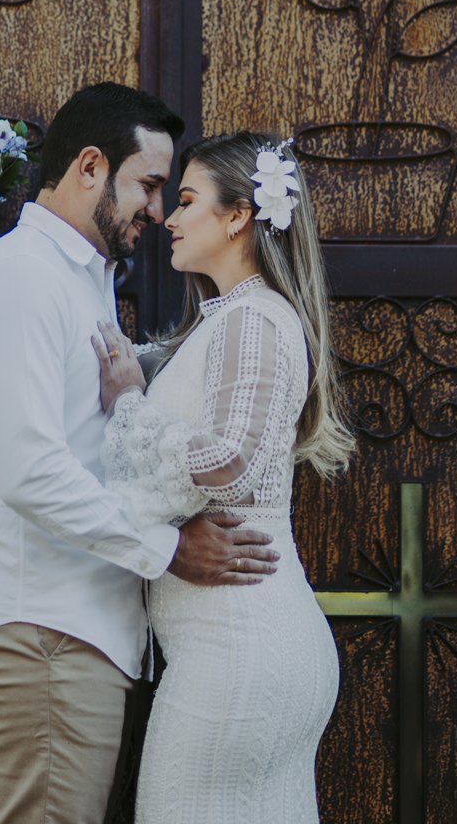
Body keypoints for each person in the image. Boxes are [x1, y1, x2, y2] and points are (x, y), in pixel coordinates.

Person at [0, 84, 281, 824]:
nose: (158, 210)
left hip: (70, 625)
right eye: (149, 185)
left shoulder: (76, 282)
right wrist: (166, 548)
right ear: (90, 167)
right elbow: (30, 473)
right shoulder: (24, 276)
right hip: (42, 624)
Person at [92, 131, 356, 823]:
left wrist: (125, 407)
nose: (169, 220)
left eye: (185, 200)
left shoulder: (254, 317)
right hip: (237, 650)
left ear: (239, 214)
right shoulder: (227, 322)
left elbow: (226, 460)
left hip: (239, 652)